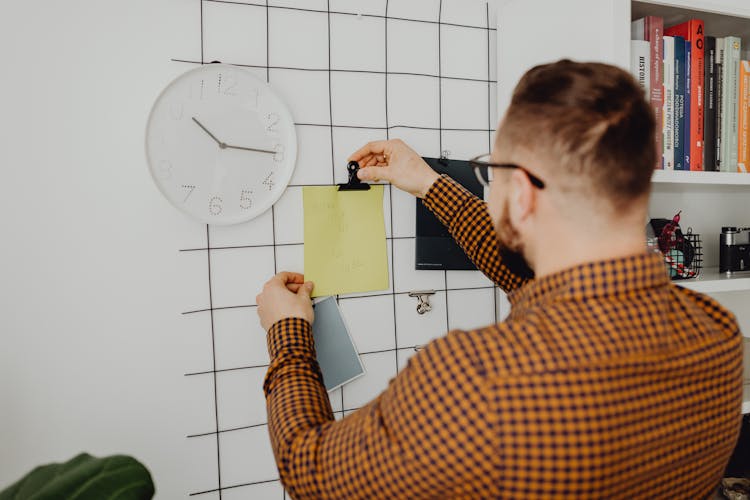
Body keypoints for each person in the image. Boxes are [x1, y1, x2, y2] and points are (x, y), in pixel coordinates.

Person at [255, 60, 744, 499]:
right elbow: (530, 275)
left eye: (492, 174)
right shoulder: (718, 335)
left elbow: (310, 473)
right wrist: (429, 182)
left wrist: (288, 334)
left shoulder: (480, 381)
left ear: (524, 195)